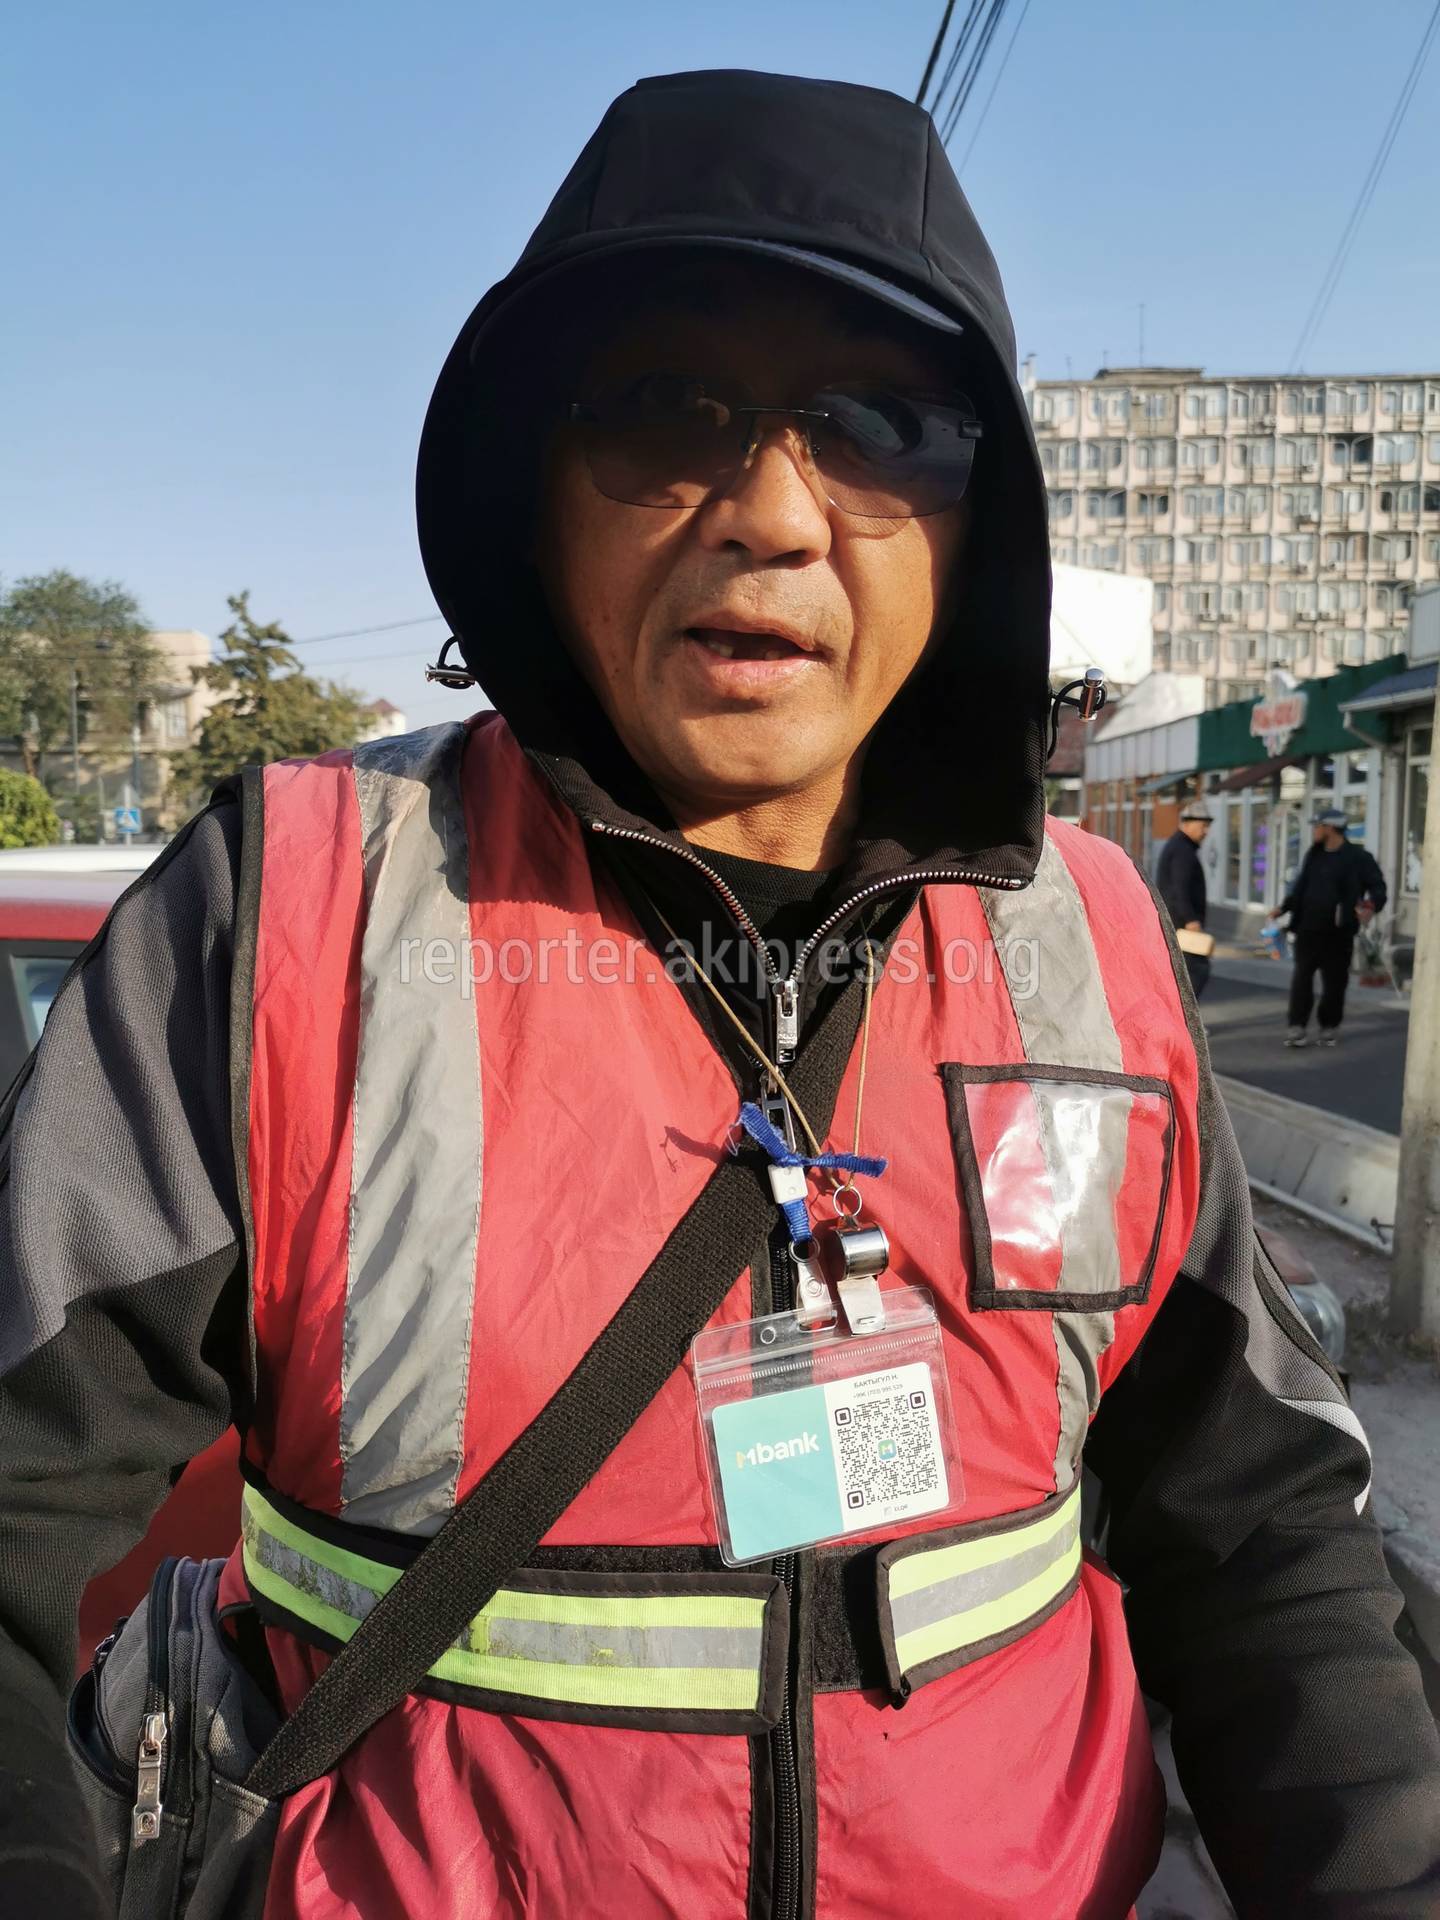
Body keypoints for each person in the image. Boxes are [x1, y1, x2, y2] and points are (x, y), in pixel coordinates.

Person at [2, 70, 1437, 1920]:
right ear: (533, 493)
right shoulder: (288, 910)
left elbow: (1265, 1539)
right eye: (666, 412)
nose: (771, 512)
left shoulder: (1085, 936)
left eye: (880, 425)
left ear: (977, 524)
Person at [1280, 805, 1388, 1047]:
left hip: (1339, 932)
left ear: (1330, 828)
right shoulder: (1314, 854)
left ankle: (1329, 1026)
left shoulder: (1358, 857)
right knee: (1301, 979)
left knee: (1335, 983)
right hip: (1308, 929)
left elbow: (1378, 886)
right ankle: (1297, 1027)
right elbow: (1300, 887)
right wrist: (1284, 908)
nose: (1314, 831)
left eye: (1317, 826)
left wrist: (1371, 905)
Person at [1155, 801, 1213, 995]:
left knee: (1183, 973)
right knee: (1196, 971)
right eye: (1202, 825)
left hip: (1176, 922)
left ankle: (1180, 1013)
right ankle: (1185, 1015)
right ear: (1186, 824)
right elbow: (1180, 888)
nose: (1206, 831)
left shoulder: (1179, 846)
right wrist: (1190, 919)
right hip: (1181, 923)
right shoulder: (1183, 850)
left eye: (1208, 826)